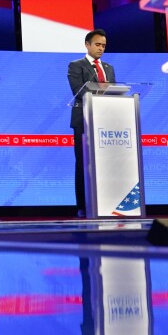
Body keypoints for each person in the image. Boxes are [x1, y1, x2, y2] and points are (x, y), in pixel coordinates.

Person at [67, 29, 115, 218]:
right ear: (87, 45)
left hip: (107, 120)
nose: (101, 48)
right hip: (84, 120)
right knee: (83, 163)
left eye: (103, 45)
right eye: (97, 44)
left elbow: (114, 90)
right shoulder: (76, 66)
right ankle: (83, 206)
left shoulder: (109, 68)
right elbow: (78, 91)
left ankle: (106, 202)